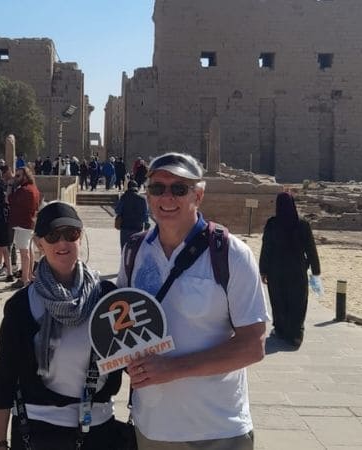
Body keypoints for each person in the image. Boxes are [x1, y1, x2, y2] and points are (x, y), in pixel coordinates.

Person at [117, 152, 268, 449]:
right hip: (152, 426)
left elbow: (254, 345)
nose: (167, 197)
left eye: (179, 188)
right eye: (158, 188)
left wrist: (172, 369)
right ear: (148, 196)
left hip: (216, 429)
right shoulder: (134, 251)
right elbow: (124, 324)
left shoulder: (231, 254)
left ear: (197, 195)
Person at [0, 202, 123, 450]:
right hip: (39, 430)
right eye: (53, 236)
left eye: (70, 234)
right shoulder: (21, 305)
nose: (62, 243)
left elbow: (131, 359)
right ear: (40, 243)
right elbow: (4, 378)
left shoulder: (108, 297)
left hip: (99, 429)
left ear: (80, 237)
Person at [259, 192, 321, 349]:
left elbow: (266, 248)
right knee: (298, 301)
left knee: (278, 301)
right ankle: (296, 334)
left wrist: (263, 270)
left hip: (276, 270)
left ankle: (280, 330)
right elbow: (311, 249)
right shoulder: (302, 224)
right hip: (297, 270)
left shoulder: (272, 224)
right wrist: (315, 269)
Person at [8, 166, 41, 288]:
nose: (16, 178)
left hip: (22, 224)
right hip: (30, 223)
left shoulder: (24, 190)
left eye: (18, 176)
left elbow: (10, 199)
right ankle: (30, 275)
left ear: (25, 176)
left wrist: (11, 186)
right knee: (29, 250)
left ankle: (25, 279)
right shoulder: (34, 189)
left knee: (24, 252)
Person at [113, 180, 149, 249]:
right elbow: (145, 214)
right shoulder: (142, 199)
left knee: (124, 249)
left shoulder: (124, 197)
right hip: (138, 228)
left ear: (128, 187)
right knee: (136, 250)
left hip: (125, 227)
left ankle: (125, 259)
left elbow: (117, 210)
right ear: (136, 187)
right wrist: (146, 224)